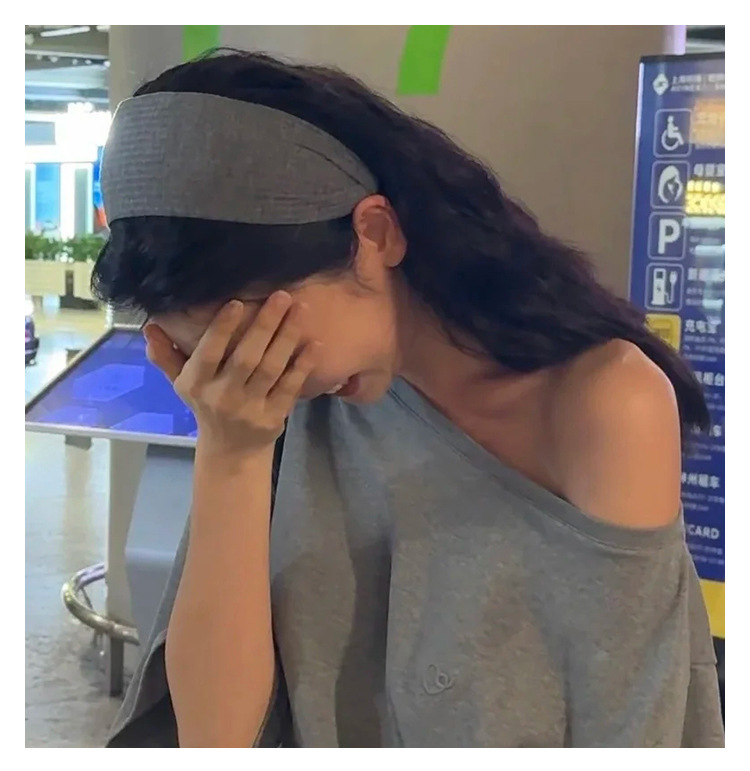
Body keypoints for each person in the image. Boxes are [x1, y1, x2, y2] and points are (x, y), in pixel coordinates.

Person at [93, 49, 723, 748]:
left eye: (259, 338)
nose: (253, 378)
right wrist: (230, 454)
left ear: (375, 234)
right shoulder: (267, 415)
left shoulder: (604, 405)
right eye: (210, 357)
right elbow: (215, 740)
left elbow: (635, 727)